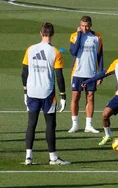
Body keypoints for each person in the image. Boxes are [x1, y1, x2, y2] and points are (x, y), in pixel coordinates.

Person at [21, 22, 70, 165]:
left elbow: (24, 72)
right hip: (47, 93)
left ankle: (28, 157)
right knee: (50, 124)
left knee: (31, 124)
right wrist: (63, 95)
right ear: (52, 34)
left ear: (41, 33)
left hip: (31, 91)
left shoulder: (30, 49)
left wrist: (25, 90)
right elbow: (59, 76)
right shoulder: (55, 52)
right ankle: (53, 157)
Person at [68, 16, 103, 133]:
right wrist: (79, 36)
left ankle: (88, 125)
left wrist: (101, 74)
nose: (84, 28)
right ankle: (75, 124)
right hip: (77, 72)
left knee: (90, 97)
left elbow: (100, 56)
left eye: (87, 26)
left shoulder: (97, 37)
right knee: (75, 97)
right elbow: (73, 51)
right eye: (82, 26)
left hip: (92, 73)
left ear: (91, 25)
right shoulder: (74, 36)